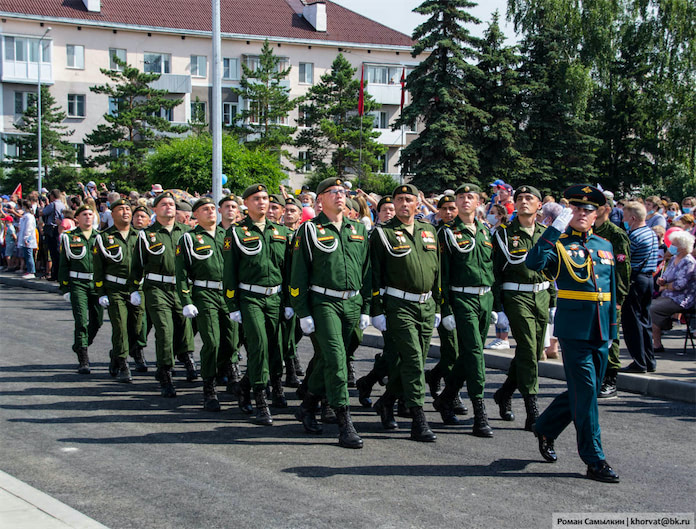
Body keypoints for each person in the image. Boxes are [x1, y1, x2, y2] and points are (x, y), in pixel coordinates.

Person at [526, 184, 620, 484]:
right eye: (577, 208)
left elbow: (611, 291)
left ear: (597, 215)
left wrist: (614, 331)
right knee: (588, 394)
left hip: (602, 329)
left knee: (585, 390)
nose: (583, 213)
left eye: (589, 209)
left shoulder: (604, 246)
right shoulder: (558, 243)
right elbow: (533, 263)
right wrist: (553, 230)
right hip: (575, 331)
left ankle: (546, 427)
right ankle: (594, 459)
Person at [291, 177, 370, 449]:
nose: (340, 195)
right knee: (336, 359)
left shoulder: (357, 229)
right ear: (320, 200)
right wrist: (302, 311)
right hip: (324, 302)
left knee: (332, 356)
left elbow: (366, 271)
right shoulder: (310, 230)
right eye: (333, 192)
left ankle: (308, 402)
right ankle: (344, 421)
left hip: (353, 302)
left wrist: (367, 306)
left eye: (342, 191)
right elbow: (298, 273)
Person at [370, 184, 440, 442]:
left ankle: (386, 402)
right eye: (399, 200)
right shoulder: (382, 234)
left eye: (409, 199)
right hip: (398, 305)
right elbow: (374, 274)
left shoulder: (429, 231)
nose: (403, 204)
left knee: (416, 360)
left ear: (417, 204)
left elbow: (437, 271)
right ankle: (418, 419)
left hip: (426, 304)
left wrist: (439, 306)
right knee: (412, 359)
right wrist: (376, 309)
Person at [224, 184, 292, 425]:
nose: (262, 203)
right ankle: (261, 399)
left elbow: (288, 270)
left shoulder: (281, 232)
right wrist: (232, 304)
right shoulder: (236, 232)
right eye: (256, 199)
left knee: (276, 348)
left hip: (276, 297)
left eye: (265, 198)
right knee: (259, 346)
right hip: (250, 297)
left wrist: (290, 301)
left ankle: (243, 386)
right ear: (246, 204)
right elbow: (229, 271)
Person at [431, 184, 494, 437]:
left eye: (470, 197)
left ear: (479, 202)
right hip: (462, 298)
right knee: (475, 353)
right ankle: (480, 411)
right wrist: (444, 308)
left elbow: (493, 269)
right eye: (461, 197)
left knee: (468, 354)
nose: (465, 201)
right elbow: (442, 274)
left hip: (485, 298)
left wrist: (496, 305)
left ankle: (445, 398)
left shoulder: (485, 231)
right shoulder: (447, 233)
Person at [492, 185, 555, 431]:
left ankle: (504, 392)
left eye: (529, 198)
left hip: (540, 295)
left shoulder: (546, 233)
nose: (524, 202)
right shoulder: (503, 234)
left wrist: (553, 300)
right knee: (528, 350)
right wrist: (499, 307)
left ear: (539, 205)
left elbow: (551, 270)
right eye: (519, 198)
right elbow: (495, 271)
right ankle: (532, 408)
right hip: (516, 295)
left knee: (533, 351)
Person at [129, 191, 196, 398]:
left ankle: (183, 357)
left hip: (182, 288)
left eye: (172, 204)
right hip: (156, 288)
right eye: (164, 204)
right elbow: (137, 265)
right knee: (164, 329)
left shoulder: (186, 232)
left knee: (184, 327)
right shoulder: (146, 235)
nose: (169, 207)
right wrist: (134, 288)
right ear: (155, 209)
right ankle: (166, 372)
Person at [175, 197, 237, 411]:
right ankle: (209, 388)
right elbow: (181, 273)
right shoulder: (189, 239)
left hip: (228, 294)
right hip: (205, 293)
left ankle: (225, 371)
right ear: (195, 215)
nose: (211, 212)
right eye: (205, 209)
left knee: (232, 341)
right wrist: (186, 300)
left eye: (212, 208)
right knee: (212, 341)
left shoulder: (228, 235)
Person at [93, 199, 145, 383]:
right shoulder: (102, 238)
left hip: (137, 289)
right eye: (120, 209)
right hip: (115, 289)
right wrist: (101, 293)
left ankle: (116, 354)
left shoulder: (140, 236)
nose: (125, 212)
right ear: (112, 214)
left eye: (128, 209)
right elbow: (98, 269)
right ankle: (123, 364)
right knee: (120, 327)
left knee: (137, 329)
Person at [425, 195, 467, 415]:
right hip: (445, 299)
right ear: (438, 212)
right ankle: (453, 393)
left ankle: (434, 375)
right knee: (452, 349)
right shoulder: (436, 234)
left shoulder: (465, 231)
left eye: (453, 208)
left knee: (461, 350)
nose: (449, 213)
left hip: (465, 299)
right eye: (445, 209)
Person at [58, 204, 104, 374]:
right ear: (77, 218)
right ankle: (83, 358)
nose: (88, 217)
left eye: (90, 214)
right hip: (78, 283)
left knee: (97, 321)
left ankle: (80, 344)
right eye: (84, 214)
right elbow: (63, 264)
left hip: (97, 285)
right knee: (80, 320)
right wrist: (65, 288)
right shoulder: (69, 237)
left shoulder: (100, 237)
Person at [593, 196, 631, 399]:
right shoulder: (588, 232)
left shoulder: (615, 235)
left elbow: (622, 270)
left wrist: (619, 298)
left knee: (611, 338)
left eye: (596, 206)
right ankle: (598, 377)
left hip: (610, 295)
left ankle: (611, 379)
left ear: (606, 208)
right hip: (592, 296)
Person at [621, 201, 659, 373]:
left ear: (633, 218)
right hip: (648, 279)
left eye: (625, 216)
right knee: (644, 320)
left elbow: (625, 260)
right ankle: (649, 360)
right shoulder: (651, 233)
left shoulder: (634, 237)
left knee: (632, 323)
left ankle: (639, 361)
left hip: (635, 281)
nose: (623, 219)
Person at [651, 230, 696, 351]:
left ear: (682, 247)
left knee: (652, 309)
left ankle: (657, 342)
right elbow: (666, 276)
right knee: (648, 306)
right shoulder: (674, 259)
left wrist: (665, 286)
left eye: (675, 244)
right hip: (668, 295)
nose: (671, 246)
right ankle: (663, 326)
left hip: (682, 298)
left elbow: (680, 285)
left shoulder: (688, 262)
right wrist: (662, 280)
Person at [41, 189, 65, 281]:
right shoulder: (62, 205)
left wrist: (44, 205)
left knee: (53, 253)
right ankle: (57, 274)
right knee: (57, 252)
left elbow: (42, 213)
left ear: (52, 196)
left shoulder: (52, 205)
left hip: (52, 229)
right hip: (58, 229)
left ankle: (55, 275)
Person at [17, 200, 38, 279]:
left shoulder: (29, 216)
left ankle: (31, 271)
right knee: (27, 254)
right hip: (25, 237)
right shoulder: (26, 215)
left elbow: (28, 228)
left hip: (28, 238)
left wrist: (26, 237)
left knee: (29, 255)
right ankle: (29, 270)